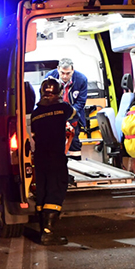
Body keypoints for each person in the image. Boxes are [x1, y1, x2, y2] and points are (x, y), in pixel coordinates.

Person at [31, 77, 76, 246]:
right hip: (56, 157)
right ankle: (49, 234)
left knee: (43, 191)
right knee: (56, 189)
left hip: (40, 158)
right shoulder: (63, 108)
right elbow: (74, 115)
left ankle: (43, 230)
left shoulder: (35, 114)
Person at [46, 58, 88, 160]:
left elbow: (80, 102)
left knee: (74, 142)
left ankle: (77, 164)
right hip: (54, 115)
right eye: (62, 73)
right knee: (54, 142)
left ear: (72, 70)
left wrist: (68, 117)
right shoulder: (49, 77)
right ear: (58, 69)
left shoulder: (81, 79)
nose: (65, 76)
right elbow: (46, 99)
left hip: (73, 115)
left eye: (68, 73)